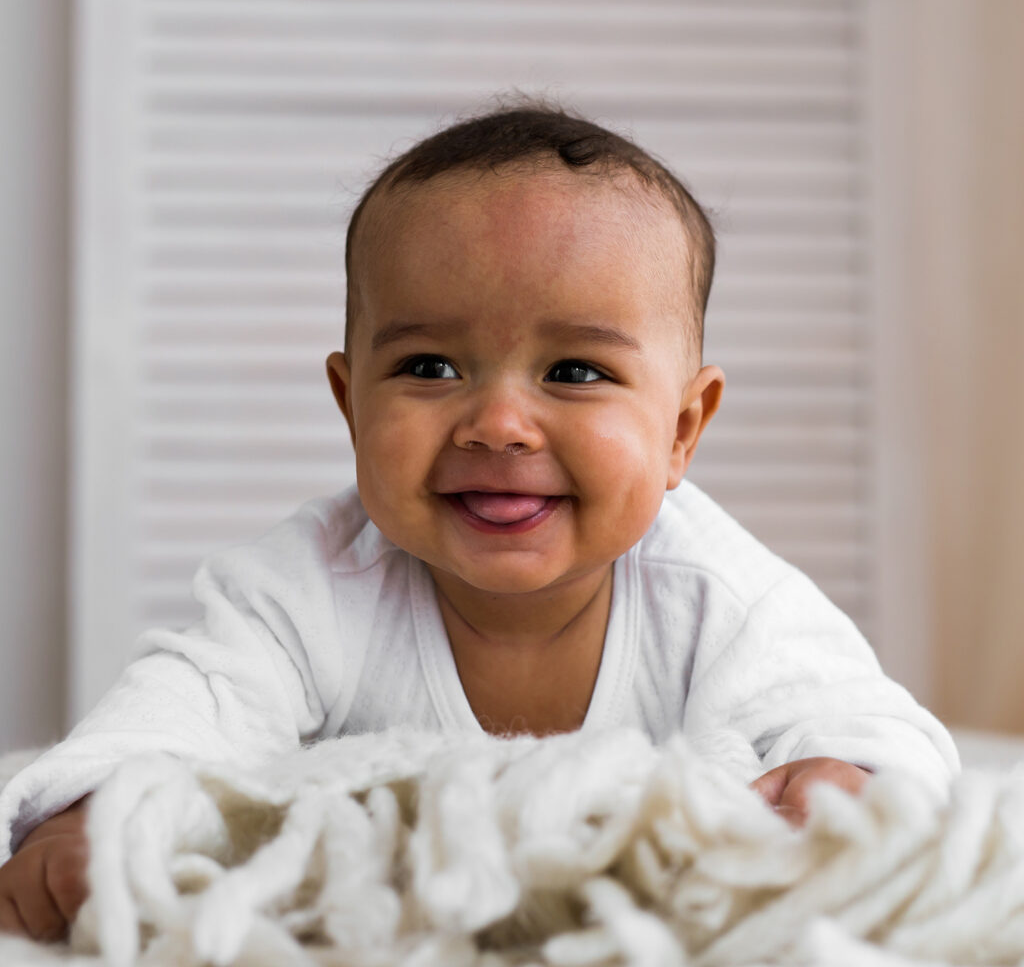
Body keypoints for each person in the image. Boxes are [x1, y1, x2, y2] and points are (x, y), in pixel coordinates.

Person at [0, 103, 959, 942]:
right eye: (428, 366)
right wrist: (102, 809)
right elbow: (187, 703)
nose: (498, 424)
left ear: (681, 430)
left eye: (575, 373)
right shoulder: (306, 587)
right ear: (350, 403)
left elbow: (857, 716)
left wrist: (843, 780)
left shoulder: (720, 597)